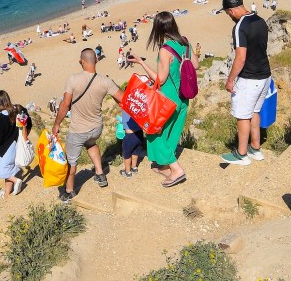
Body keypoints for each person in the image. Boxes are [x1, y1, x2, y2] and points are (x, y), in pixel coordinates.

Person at [128, 12, 194, 187]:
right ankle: (164, 164)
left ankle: (176, 169)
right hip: (183, 97)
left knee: (153, 133)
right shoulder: (185, 42)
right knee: (171, 132)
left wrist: (142, 64)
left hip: (167, 98)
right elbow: (195, 65)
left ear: (157, 28)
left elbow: (161, 79)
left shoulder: (165, 50)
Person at [51, 48, 124, 203]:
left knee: (72, 162)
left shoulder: (73, 79)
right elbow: (123, 98)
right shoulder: (105, 81)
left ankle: (69, 192)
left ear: (82, 62)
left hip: (78, 131)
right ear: (96, 61)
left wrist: (57, 123)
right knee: (91, 143)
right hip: (96, 128)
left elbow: (65, 104)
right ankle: (100, 174)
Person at [220, 0, 271, 165]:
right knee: (254, 112)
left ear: (231, 10)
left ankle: (241, 154)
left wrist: (230, 80)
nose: (229, 17)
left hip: (249, 77)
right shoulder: (260, 20)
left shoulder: (240, 27)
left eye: (228, 13)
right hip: (265, 75)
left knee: (242, 116)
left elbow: (240, 57)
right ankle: (255, 148)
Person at [0, 90, 24, 197]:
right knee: (9, 170)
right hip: (13, 147)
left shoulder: (0, 119)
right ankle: (7, 192)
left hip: (3, 150)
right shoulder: (15, 113)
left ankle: (16, 180)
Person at [119, 109, 144, 177]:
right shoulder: (140, 106)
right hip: (139, 133)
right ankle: (134, 167)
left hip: (130, 135)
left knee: (127, 153)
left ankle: (128, 172)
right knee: (135, 151)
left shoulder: (127, 105)